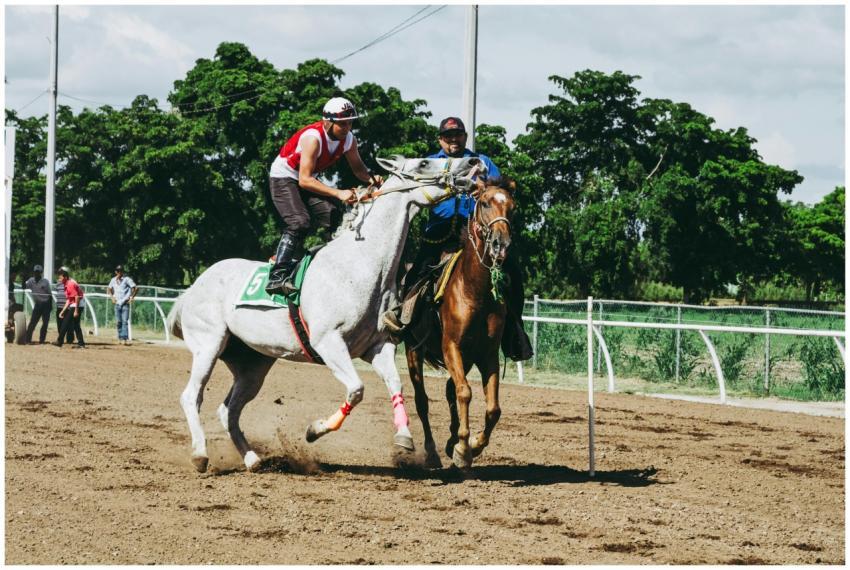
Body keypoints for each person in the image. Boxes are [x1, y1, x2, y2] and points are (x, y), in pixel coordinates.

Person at [384, 117, 533, 361]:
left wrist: (482, 185)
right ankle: (404, 323)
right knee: (416, 274)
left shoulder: (482, 162)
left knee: (513, 275)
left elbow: (499, 189)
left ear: (464, 137)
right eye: (448, 136)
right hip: (438, 234)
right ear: (440, 140)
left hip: (476, 236)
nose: (453, 140)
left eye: (457, 135)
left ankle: (515, 333)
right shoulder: (430, 163)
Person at [265, 96, 383, 295]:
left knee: (335, 217)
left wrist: (373, 179)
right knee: (299, 222)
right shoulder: (313, 138)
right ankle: (277, 275)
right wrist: (338, 193)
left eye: (350, 123)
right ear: (327, 122)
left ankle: (338, 267)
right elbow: (304, 180)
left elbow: (359, 169)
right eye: (342, 124)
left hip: (307, 178)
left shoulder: (349, 140)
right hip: (285, 177)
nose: (346, 128)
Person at [53, 267, 86, 349]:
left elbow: (77, 297)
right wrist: (62, 311)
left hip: (77, 305)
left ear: (65, 277)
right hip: (75, 304)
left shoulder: (70, 284)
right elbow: (69, 300)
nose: (59, 278)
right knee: (76, 325)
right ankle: (81, 344)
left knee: (65, 322)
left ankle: (59, 341)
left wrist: (76, 311)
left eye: (60, 276)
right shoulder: (67, 283)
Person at [107, 265, 138, 345]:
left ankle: (124, 338)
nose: (119, 273)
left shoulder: (127, 279)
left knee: (125, 321)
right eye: (118, 271)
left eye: (121, 271)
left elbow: (135, 288)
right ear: (116, 272)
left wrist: (132, 297)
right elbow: (109, 289)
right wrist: (112, 298)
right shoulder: (113, 280)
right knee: (119, 321)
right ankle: (120, 337)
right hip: (117, 303)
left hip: (125, 303)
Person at [24, 264, 53, 344]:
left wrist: (50, 306)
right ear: (34, 272)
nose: (36, 274)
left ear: (41, 273)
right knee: (32, 322)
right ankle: (27, 339)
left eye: (38, 272)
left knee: (45, 323)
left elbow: (50, 295)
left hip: (46, 304)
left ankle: (42, 340)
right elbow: (25, 287)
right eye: (35, 272)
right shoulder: (31, 281)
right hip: (38, 304)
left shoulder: (45, 281)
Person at [53, 277, 75, 345]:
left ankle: (70, 339)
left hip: (67, 307)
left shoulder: (70, 283)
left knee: (68, 324)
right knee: (60, 325)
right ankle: (61, 339)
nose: (59, 278)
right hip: (59, 307)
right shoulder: (58, 284)